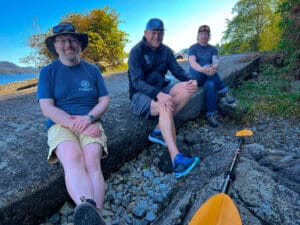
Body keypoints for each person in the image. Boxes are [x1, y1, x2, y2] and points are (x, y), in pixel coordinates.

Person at [37, 22, 109, 225]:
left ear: (79, 44)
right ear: (55, 46)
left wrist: (88, 119)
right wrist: (74, 123)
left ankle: (93, 215)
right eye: (62, 41)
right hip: (60, 123)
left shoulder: (92, 70)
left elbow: (104, 101)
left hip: (90, 120)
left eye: (72, 40)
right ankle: (93, 212)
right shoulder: (47, 72)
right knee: (72, 157)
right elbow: (47, 108)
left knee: (91, 160)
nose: (67, 44)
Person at [128, 18, 200, 179]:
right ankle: (177, 160)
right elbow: (137, 81)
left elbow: (178, 71)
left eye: (160, 33)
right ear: (146, 33)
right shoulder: (136, 52)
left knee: (187, 89)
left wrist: (191, 79)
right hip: (141, 95)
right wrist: (158, 95)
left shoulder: (166, 51)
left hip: (161, 88)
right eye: (153, 32)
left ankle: (158, 130)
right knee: (165, 103)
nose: (157, 36)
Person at [188, 25, 236, 127]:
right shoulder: (193, 48)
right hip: (197, 76)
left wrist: (215, 65)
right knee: (206, 66)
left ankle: (211, 114)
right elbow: (192, 63)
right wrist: (203, 69)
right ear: (198, 36)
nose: (204, 36)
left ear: (209, 36)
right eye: (201, 34)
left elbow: (215, 60)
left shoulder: (213, 49)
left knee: (211, 85)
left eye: (206, 34)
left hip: (209, 76)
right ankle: (224, 90)